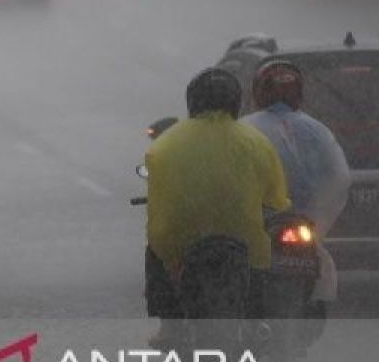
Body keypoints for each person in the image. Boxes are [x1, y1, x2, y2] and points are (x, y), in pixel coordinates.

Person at [144, 67, 290, 345]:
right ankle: (257, 323)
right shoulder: (256, 142)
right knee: (260, 268)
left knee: (155, 254)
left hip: (185, 237)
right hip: (244, 238)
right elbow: (276, 198)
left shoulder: (165, 145)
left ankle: (169, 328)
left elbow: (158, 202)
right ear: (235, 102)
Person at [240, 60, 351, 306]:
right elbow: (339, 179)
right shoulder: (318, 130)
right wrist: (316, 216)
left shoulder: (243, 129)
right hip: (302, 223)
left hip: (258, 222)